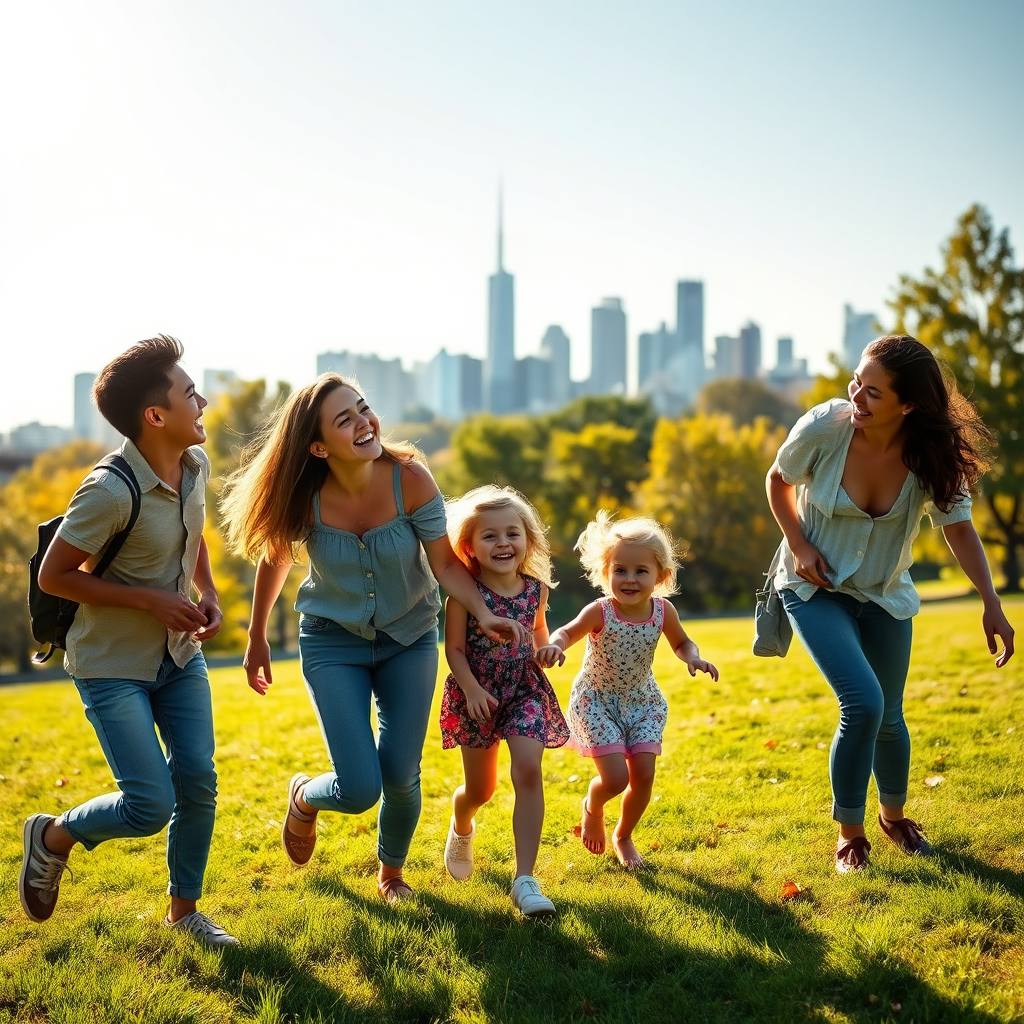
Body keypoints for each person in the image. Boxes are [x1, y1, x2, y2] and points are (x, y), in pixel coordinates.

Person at [219, 374, 529, 903]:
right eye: (346, 419)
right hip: (331, 642)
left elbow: (444, 565)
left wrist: (482, 609)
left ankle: (391, 873)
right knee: (360, 787)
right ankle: (305, 799)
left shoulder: (410, 479)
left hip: (408, 639)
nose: (364, 423)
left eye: (364, 409)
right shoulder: (305, 494)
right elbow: (274, 558)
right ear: (318, 447)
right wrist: (256, 637)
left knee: (402, 776)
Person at [766, 334, 1015, 874]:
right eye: (858, 381)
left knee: (890, 716)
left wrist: (991, 602)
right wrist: (801, 545)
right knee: (863, 702)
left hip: (885, 594)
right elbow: (778, 482)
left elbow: (961, 531)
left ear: (908, 405)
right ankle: (849, 836)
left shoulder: (930, 457)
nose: (856, 395)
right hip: (815, 587)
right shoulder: (825, 428)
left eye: (873, 392)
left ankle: (894, 817)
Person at [22, 336, 236, 947]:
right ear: (155, 415)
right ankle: (53, 836)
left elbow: (188, 543)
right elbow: (54, 575)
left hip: (178, 657)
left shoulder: (193, 466)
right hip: (112, 664)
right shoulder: (109, 490)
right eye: (191, 393)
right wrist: (151, 600)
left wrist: (208, 595)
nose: (203, 401)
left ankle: (184, 911)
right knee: (149, 806)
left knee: (198, 780)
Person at [537, 512, 719, 869]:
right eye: (620, 569)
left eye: (641, 571)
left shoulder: (663, 611)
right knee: (616, 779)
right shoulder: (600, 611)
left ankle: (623, 835)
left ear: (660, 577)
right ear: (606, 573)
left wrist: (693, 658)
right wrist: (555, 646)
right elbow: (566, 632)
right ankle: (592, 805)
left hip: (642, 701)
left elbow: (682, 643)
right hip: (597, 702)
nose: (630, 579)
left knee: (644, 775)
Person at [439, 485, 568, 917]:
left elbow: (537, 635)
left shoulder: (537, 590)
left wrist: (546, 651)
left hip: (524, 690)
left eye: (512, 533)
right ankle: (462, 822)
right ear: (469, 547)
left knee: (528, 769)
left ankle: (525, 879)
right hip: (477, 694)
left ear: (528, 540)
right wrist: (473, 689)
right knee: (481, 789)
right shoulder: (462, 595)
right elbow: (454, 649)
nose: (503, 543)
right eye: (489, 536)